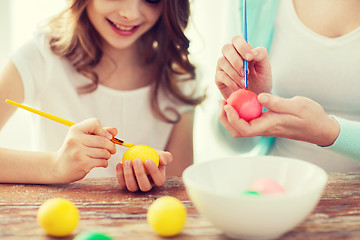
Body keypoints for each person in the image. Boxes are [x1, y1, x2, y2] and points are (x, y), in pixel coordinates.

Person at [0, 0, 204, 191]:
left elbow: (180, 189)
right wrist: (55, 165)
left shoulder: (180, 79)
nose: (129, 14)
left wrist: (156, 182)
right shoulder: (39, 58)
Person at [215, 0, 360, 172]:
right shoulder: (252, 4)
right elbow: (236, 145)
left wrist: (331, 132)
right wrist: (246, 109)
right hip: (275, 187)